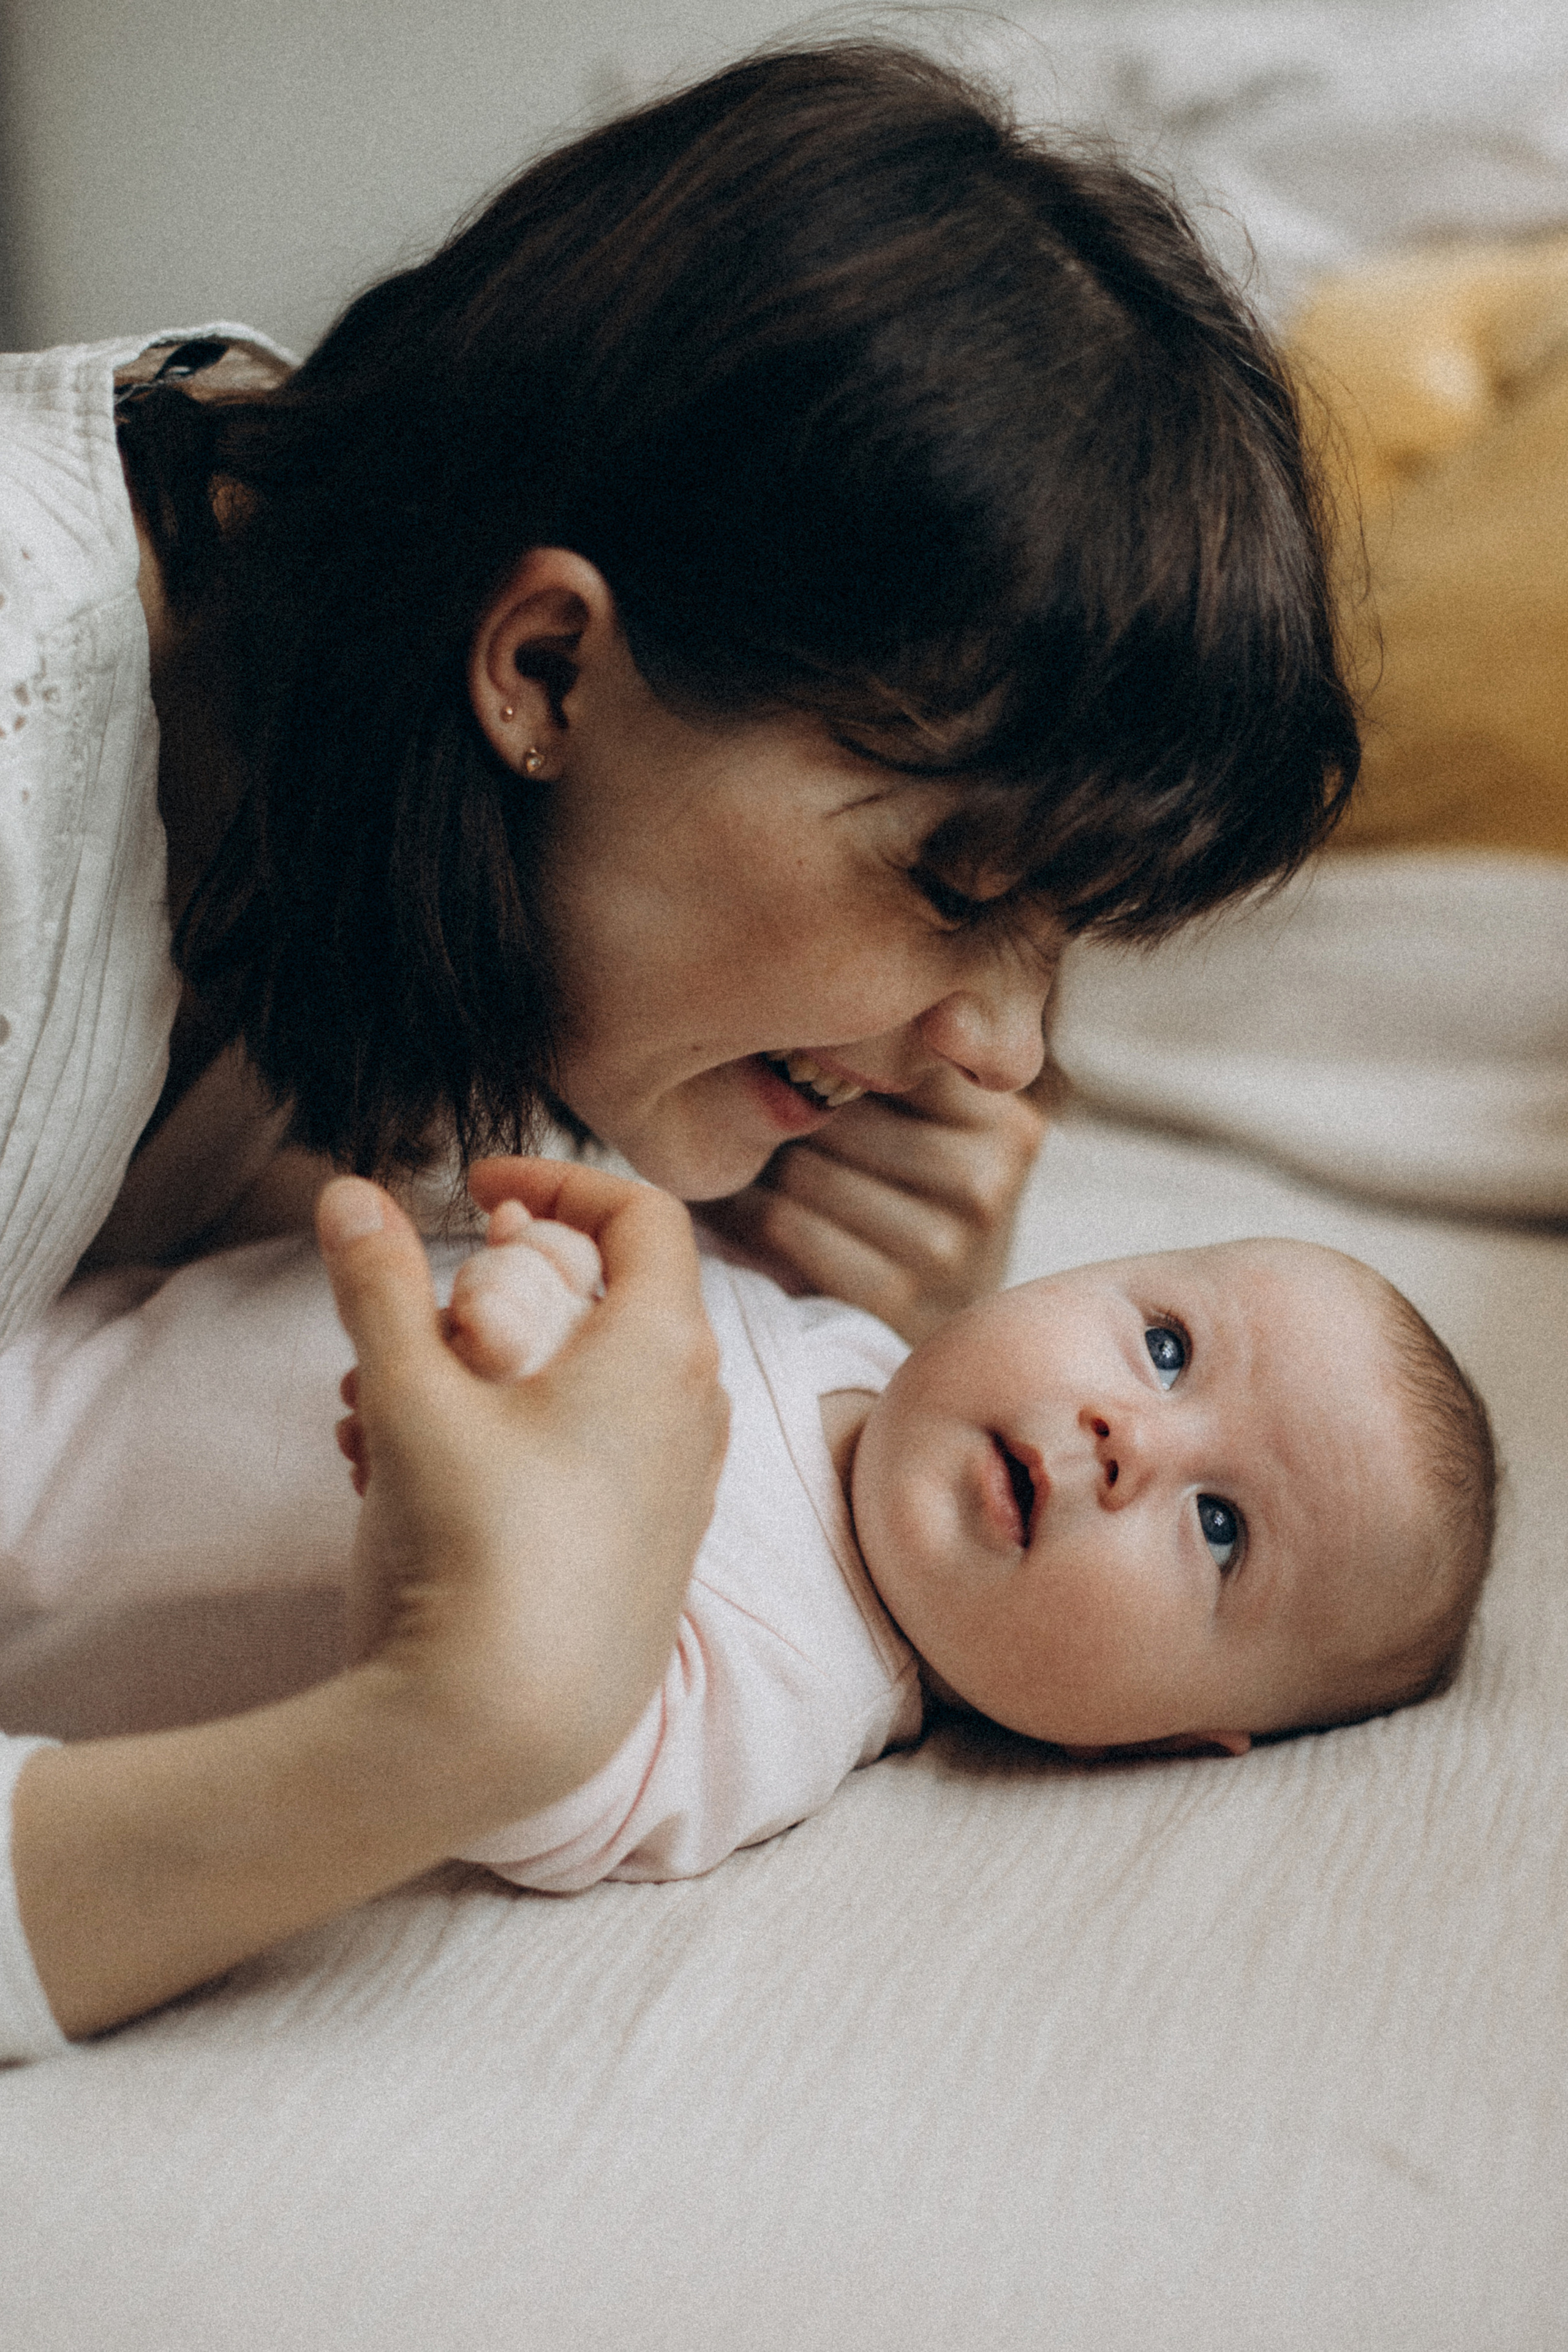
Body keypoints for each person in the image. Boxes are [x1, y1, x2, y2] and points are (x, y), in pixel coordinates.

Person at [0, 42, 1359, 2048]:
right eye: (960, 886)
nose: (997, 1054)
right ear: (546, 666)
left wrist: (809, 1320)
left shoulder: (429, 845)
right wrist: (453, 1732)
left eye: (1065, 942)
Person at [336, 1191, 1495, 1891]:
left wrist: (451, 1471)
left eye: (1221, 1526)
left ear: (1161, 1745)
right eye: (1168, 1348)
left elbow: (506, 1771)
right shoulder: (845, 1336)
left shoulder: (792, 1686)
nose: (1129, 1435)